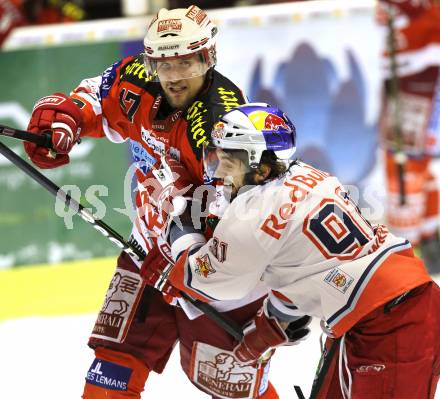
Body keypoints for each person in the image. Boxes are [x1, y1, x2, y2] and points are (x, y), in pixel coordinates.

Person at [23, 6, 279, 399]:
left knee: (232, 389)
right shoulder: (138, 77)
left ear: (208, 58)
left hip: (220, 280)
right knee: (109, 375)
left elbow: (236, 219)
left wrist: (187, 264)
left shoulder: (220, 125)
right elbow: (95, 96)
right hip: (149, 254)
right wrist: (66, 120)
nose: (174, 76)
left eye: (186, 63)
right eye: (163, 64)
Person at [146, 103, 440, 398]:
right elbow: (310, 266)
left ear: (258, 168)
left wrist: (181, 234)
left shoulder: (252, 211)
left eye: (228, 162)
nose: (219, 172)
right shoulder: (313, 176)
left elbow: (208, 282)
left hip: (392, 327)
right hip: (383, 310)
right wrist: (274, 322)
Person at [377, 0, 440, 274]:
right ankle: (428, 239)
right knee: (414, 163)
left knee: (405, 167)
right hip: (413, 74)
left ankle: (410, 252)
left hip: (420, 75)